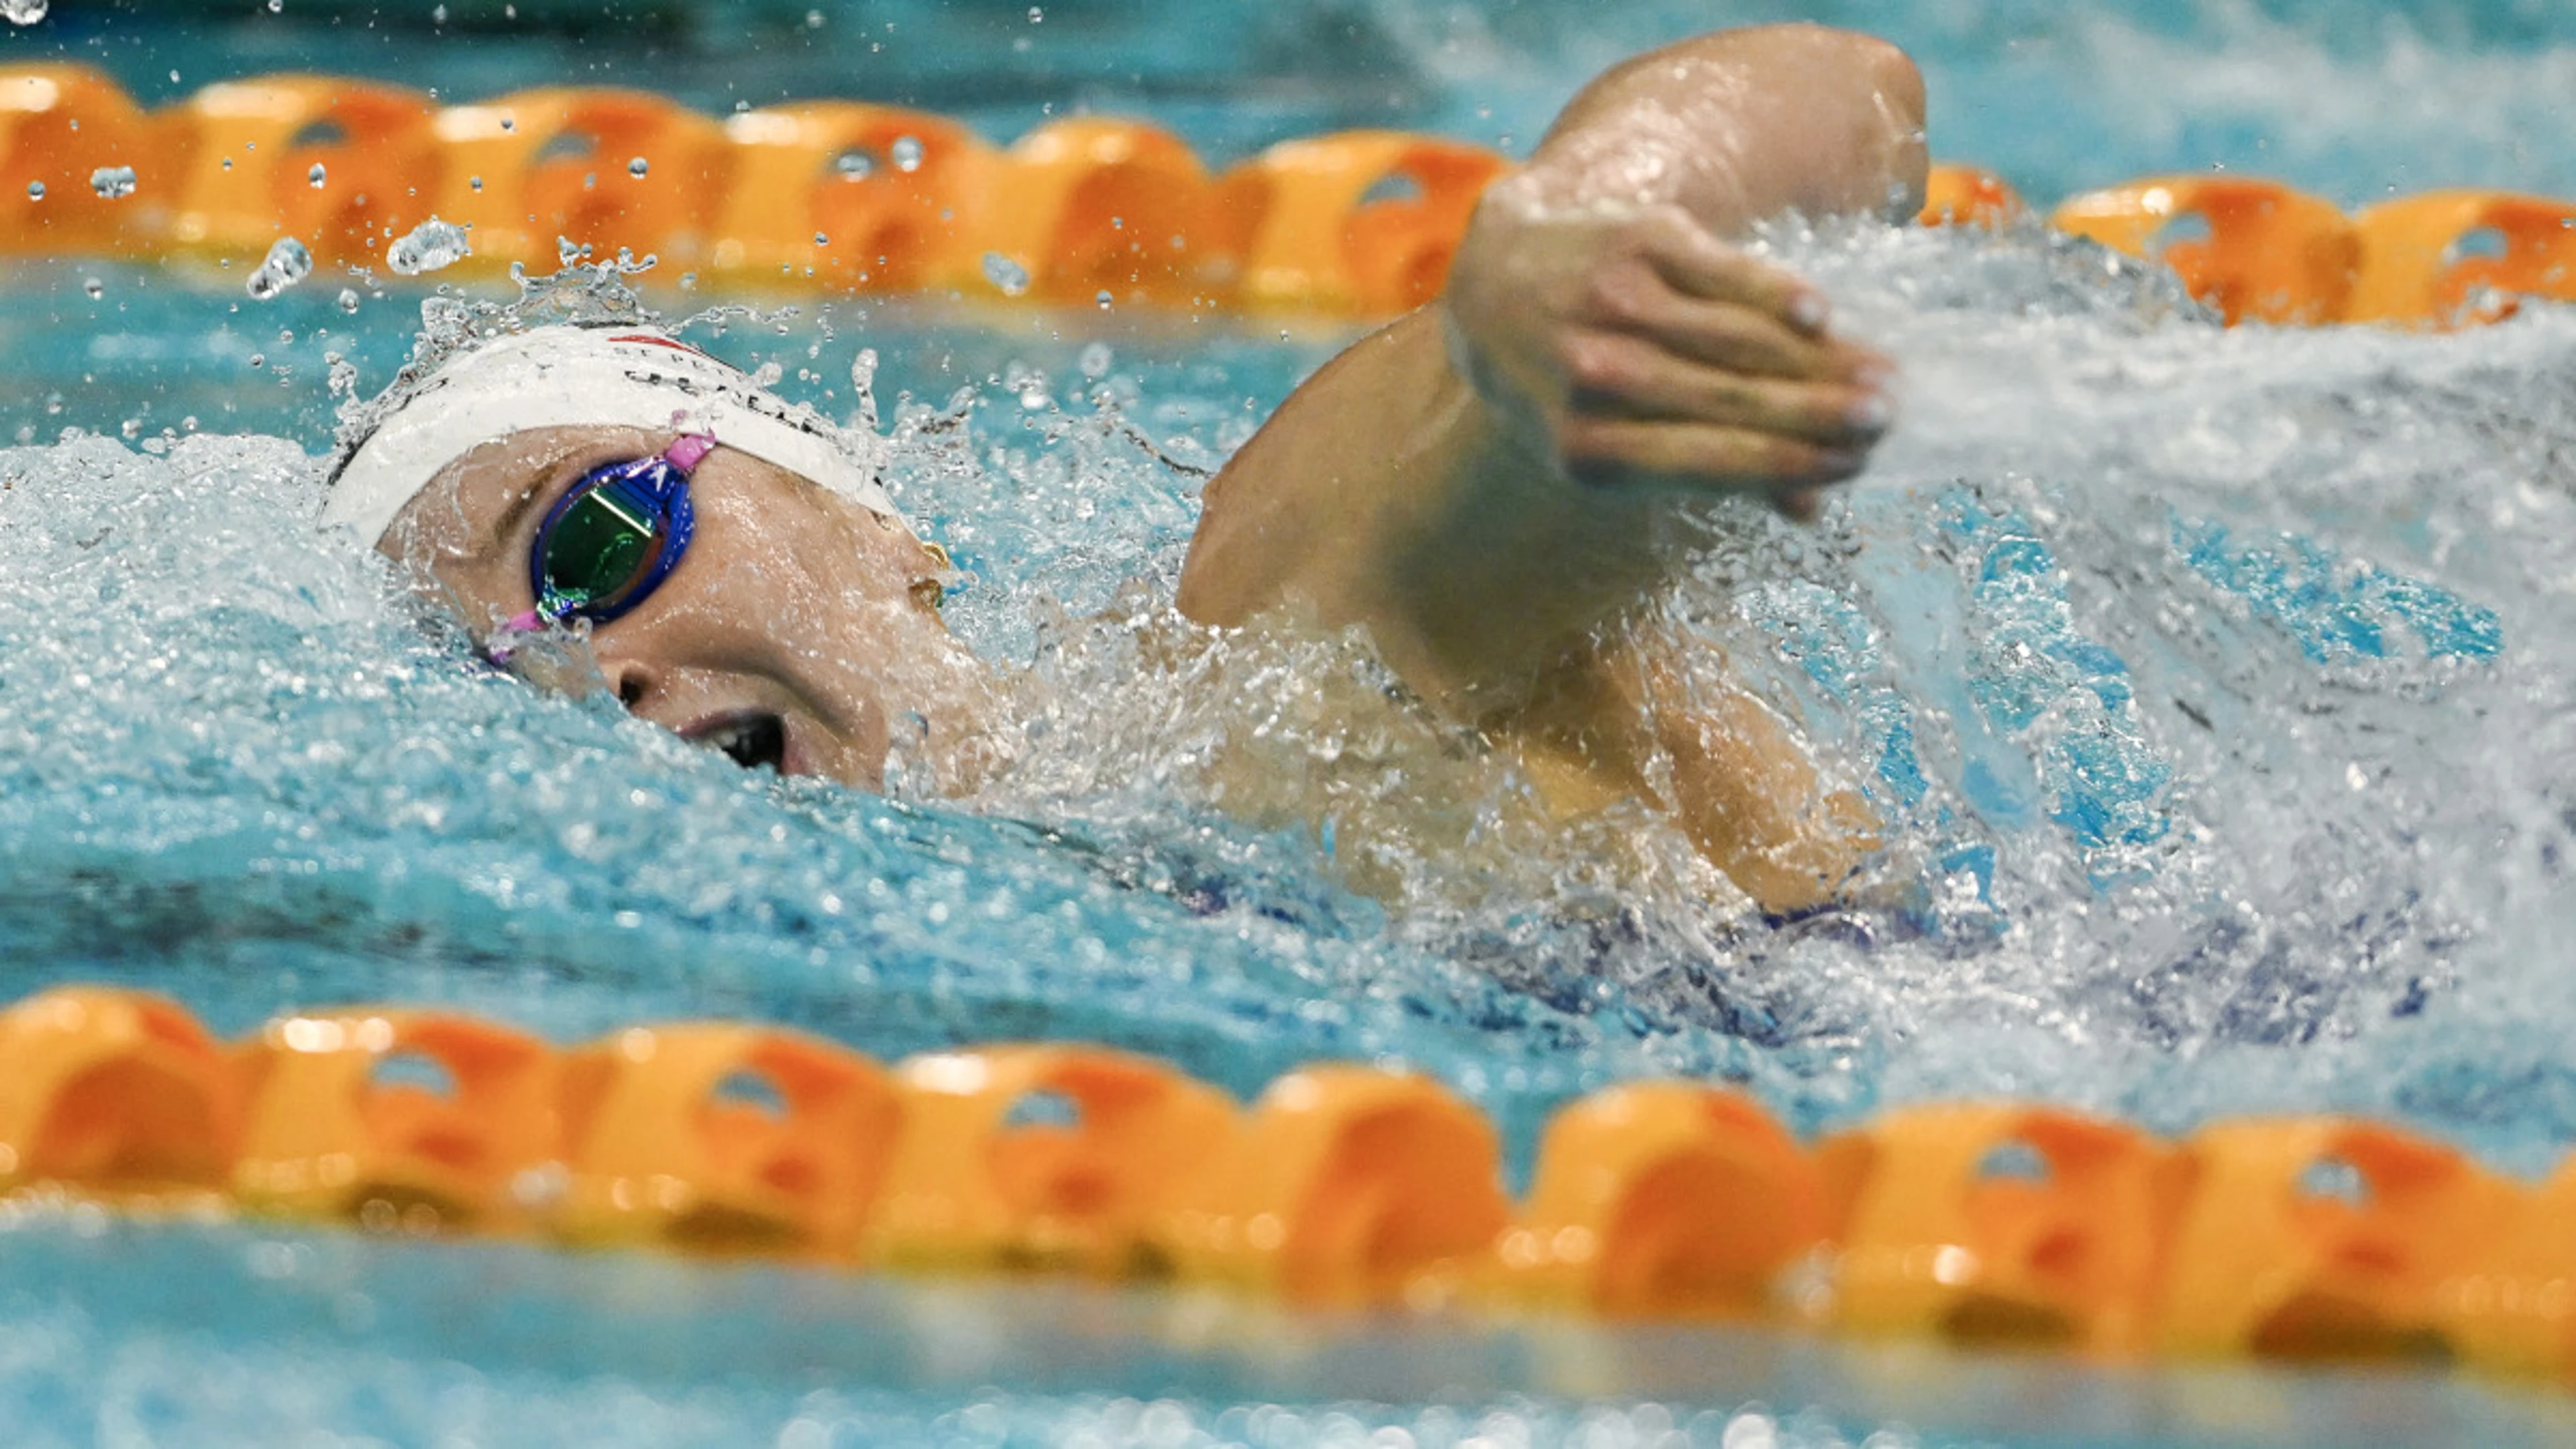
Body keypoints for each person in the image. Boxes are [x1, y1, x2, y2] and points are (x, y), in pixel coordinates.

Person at [324, 23, 1927, 916]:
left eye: (594, 543)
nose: (574, 676)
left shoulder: (1261, 666)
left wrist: (1600, 223)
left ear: (868, 517)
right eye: (486, 681)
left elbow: (1847, 98)